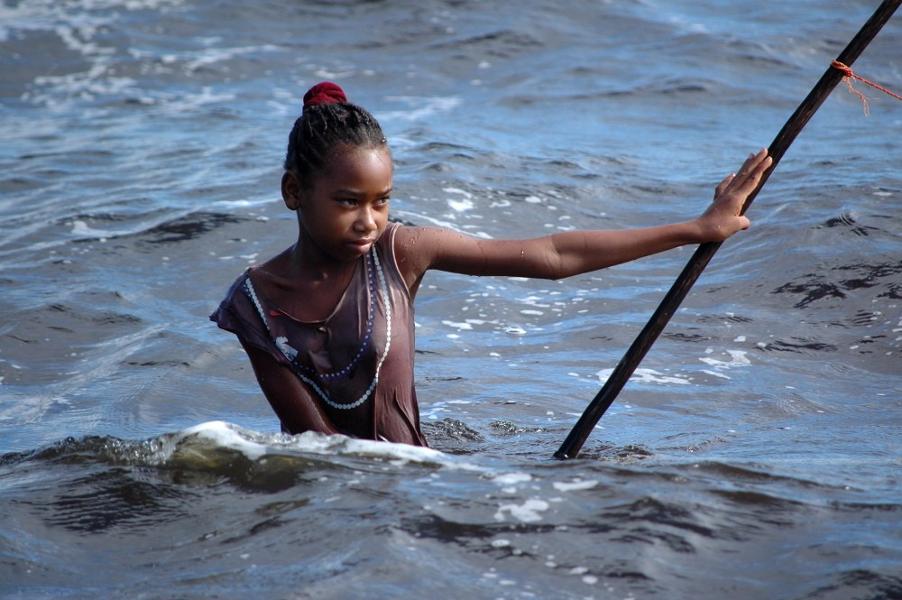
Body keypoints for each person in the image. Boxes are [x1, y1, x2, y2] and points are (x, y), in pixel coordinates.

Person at [210, 81, 772, 447]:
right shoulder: (254, 303)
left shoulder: (400, 253)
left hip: (419, 477)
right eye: (347, 202)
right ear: (293, 191)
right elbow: (312, 441)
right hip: (339, 494)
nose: (368, 221)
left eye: (380, 201)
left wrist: (696, 228)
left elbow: (554, 254)